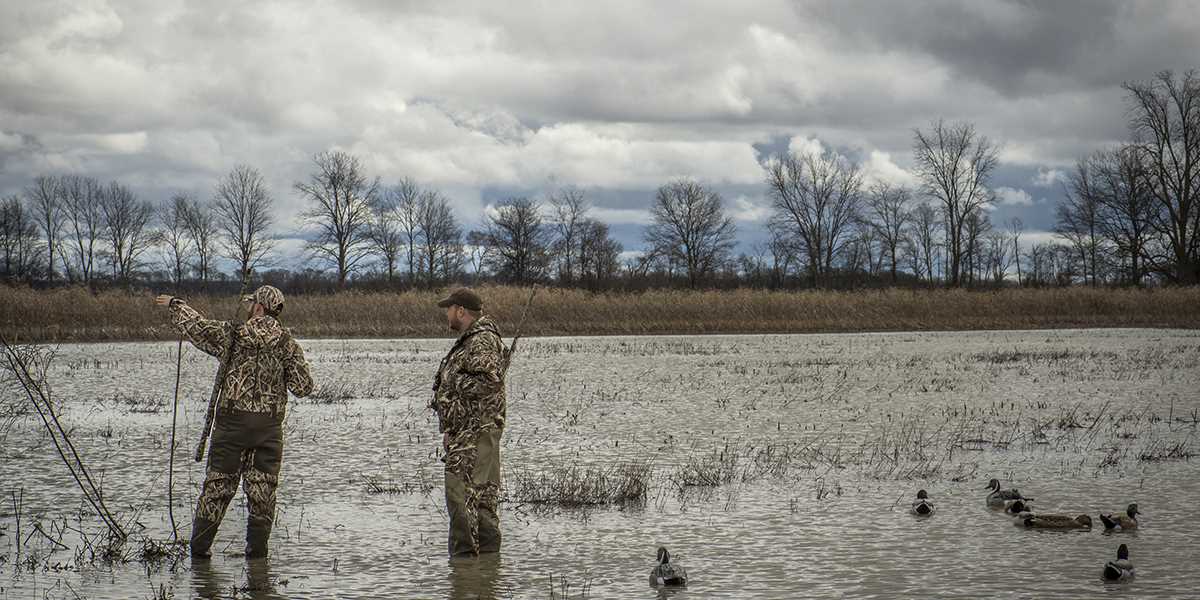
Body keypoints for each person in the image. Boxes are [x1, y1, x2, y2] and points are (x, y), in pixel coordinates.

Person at [155, 285, 313, 559]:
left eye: (251, 304)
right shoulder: (288, 344)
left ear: (260, 308)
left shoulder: (234, 334)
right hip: (269, 431)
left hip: (231, 428)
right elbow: (303, 387)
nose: (248, 308)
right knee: (263, 494)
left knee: (217, 488)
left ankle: (200, 555)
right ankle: (257, 558)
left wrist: (175, 304)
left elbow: (198, 328)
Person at [431, 287, 507, 556]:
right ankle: (486, 574)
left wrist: (453, 381)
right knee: (479, 505)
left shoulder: (481, 340)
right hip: (467, 433)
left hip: (475, 435)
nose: (447, 314)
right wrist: (451, 428)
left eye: (449, 309)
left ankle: (465, 574)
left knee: (461, 502)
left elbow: (490, 381)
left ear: (461, 311)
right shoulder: (471, 340)